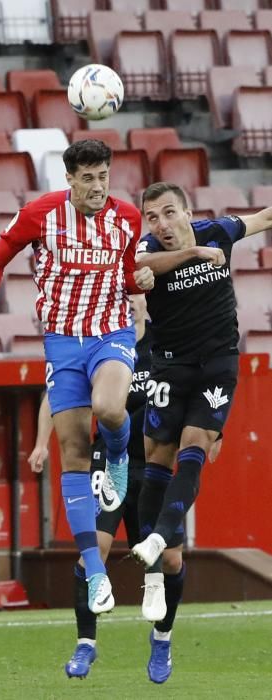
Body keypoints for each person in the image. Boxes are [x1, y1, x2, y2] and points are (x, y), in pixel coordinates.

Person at [0, 139, 154, 616]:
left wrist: (141, 281)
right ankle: (95, 573)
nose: (97, 186)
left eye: (103, 176)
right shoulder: (40, 214)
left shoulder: (127, 217)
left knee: (110, 408)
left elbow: (127, 276)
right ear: (69, 178)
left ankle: (116, 460)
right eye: (88, 178)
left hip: (110, 331)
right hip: (62, 341)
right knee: (71, 453)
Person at [29, 294, 222, 684]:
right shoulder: (98, 342)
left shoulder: (164, 344)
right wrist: (39, 442)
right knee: (92, 551)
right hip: (109, 460)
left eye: (136, 295)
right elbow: (56, 394)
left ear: (146, 301)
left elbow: (193, 387)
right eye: (124, 295)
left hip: (156, 464)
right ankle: (85, 643)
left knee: (168, 560)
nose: (131, 301)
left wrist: (214, 434)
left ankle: (162, 637)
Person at [131, 182, 272, 627]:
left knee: (194, 445)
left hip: (218, 365)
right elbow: (136, 265)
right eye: (152, 216)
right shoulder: (148, 251)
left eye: (169, 212)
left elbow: (264, 218)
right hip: (170, 368)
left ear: (188, 213)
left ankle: (156, 540)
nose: (161, 224)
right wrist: (187, 259)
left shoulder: (219, 231)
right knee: (157, 457)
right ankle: (154, 576)